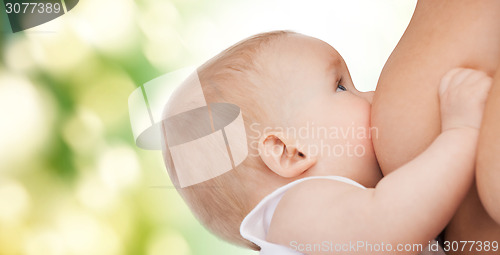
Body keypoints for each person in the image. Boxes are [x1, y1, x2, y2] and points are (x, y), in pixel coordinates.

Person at [161, 31, 492, 254]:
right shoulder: (294, 211)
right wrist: (461, 133)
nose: (374, 95)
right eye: (341, 87)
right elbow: (386, 223)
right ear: (289, 152)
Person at [371, 1, 500, 253]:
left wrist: (461, 132)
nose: (368, 94)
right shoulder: (299, 206)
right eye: (340, 87)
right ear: (286, 151)